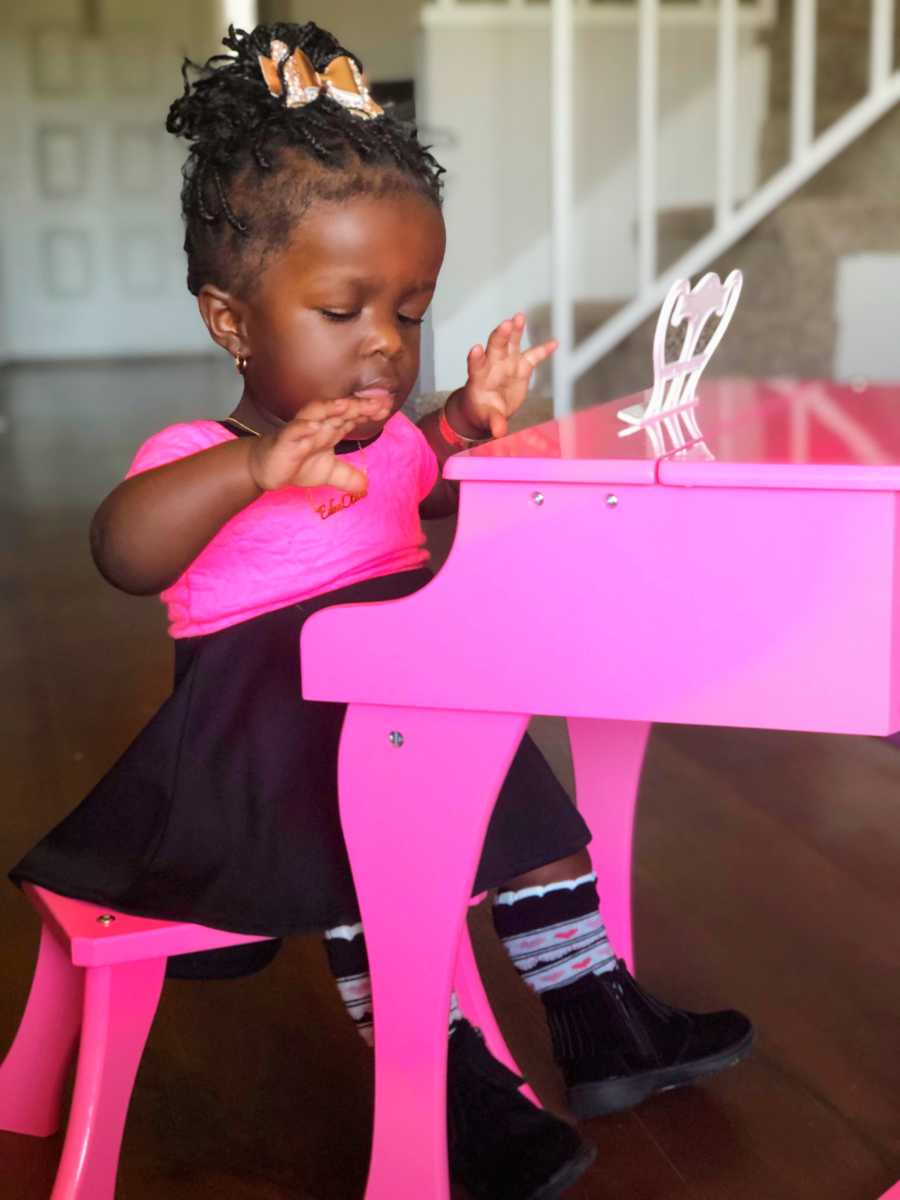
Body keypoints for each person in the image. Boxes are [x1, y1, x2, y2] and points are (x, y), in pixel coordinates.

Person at [8, 22, 752, 1200]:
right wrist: (253, 475)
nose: (384, 347)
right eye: (344, 309)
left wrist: (462, 424)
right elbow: (124, 548)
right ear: (231, 321)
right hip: (272, 749)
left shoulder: (386, 433)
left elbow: (424, 494)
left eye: (408, 312)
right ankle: (442, 1084)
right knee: (379, 880)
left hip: (407, 703)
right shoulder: (202, 453)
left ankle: (598, 1011)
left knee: (534, 812)